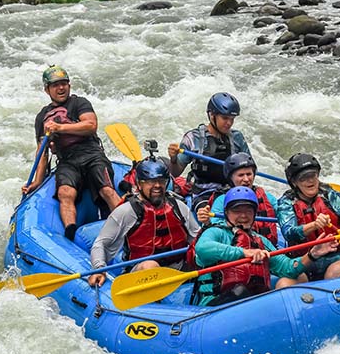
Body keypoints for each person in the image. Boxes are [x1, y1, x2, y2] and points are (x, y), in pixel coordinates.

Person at [191, 187, 338, 306]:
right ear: (226, 213)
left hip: (253, 304)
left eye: (248, 210)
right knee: (240, 292)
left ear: (254, 213)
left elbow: (287, 268)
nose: (243, 215)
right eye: (237, 210)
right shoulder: (216, 232)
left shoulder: (260, 241)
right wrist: (243, 252)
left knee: (254, 295)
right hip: (214, 306)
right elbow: (202, 248)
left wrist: (312, 254)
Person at [23, 65, 121, 241]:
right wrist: (37, 181)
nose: (61, 88)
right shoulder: (42, 116)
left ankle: (127, 227)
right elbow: (42, 150)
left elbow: (90, 125)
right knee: (65, 193)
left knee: (106, 189)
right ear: (47, 90)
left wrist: (60, 127)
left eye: (64, 84)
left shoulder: (79, 103)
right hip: (67, 160)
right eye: (55, 85)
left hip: (92, 153)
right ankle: (71, 235)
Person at [88, 157, 199, 286]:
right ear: (139, 184)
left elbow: (197, 240)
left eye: (161, 181)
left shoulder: (178, 207)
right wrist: (99, 268)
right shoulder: (126, 211)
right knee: (150, 266)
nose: (157, 185)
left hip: (178, 267)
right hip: (141, 271)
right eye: (150, 182)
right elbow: (101, 244)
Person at [167, 92, 251, 213]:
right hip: (203, 193)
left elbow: (249, 169)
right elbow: (175, 172)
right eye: (225, 118)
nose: (229, 123)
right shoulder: (193, 138)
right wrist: (173, 158)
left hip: (232, 191)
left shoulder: (237, 138)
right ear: (212, 115)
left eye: (232, 119)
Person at [196, 152, 280, 245]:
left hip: (267, 246)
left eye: (249, 174)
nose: (246, 179)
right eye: (241, 175)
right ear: (231, 177)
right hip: (236, 247)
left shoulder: (266, 196)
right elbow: (214, 226)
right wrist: (207, 220)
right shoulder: (222, 200)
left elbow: (282, 211)